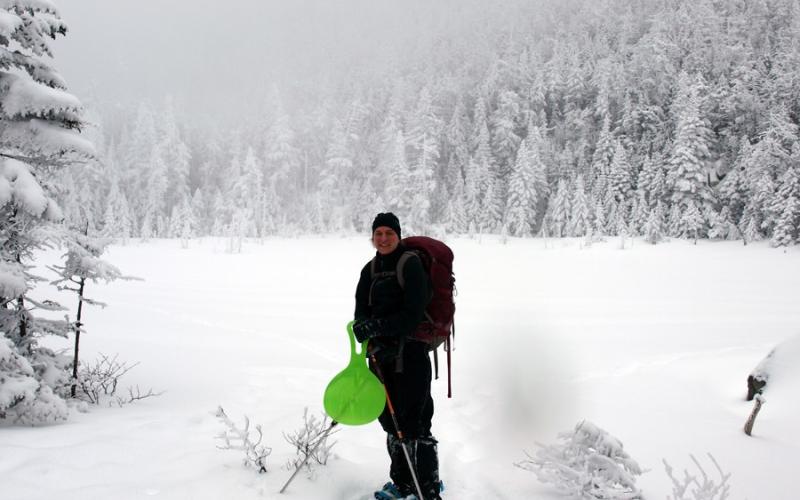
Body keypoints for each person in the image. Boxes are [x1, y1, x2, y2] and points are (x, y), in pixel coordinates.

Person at [353, 212, 442, 500]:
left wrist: (378, 326)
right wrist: (363, 329)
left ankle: (426, 487)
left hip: (412, 353)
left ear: (398, 235)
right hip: (382, 356)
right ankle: (402, 483)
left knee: (416, 419)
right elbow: (361, 310)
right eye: (378, 233)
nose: (383, 238)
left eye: (388, 233)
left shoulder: (410, 264)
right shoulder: (370, 269)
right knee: (390, 420)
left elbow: (413, 313)